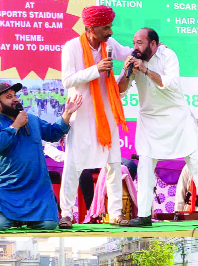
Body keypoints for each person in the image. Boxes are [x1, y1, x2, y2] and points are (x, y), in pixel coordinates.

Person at [119, 28, 198, 227]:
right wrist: (126, 71)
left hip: (177, 118)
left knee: (197, 164)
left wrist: (146, 70)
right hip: (149, 120)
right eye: (134, 42)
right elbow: (120, 90)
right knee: (145, 166)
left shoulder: (168, 55)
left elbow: (171, 84)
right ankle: (143, 215)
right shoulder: (133, 61)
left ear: (154, 44)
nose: (135, 47)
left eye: (140, 42)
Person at [59, 5, 131, 228]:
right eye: (105, 28)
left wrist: (147, 51)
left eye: (110, 27)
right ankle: (66, 214)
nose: (110, 32)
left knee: (113, 163)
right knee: (73, 164)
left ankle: (116, 213)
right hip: (81, 112)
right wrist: (96, 69)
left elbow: (128, 52)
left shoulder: (108, 44)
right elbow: (67, 80)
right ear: (90, 28)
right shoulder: (71, 47)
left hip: (107, 111)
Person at [0, 82, 82, 231]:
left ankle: (27, 220)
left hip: (37, 188)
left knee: (49, 225)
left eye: (15, 95)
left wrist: (67, 113)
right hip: (9, 188)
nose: (15, 99)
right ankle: (15, 219)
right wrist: (16, 125)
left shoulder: (32, 119)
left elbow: (53, 133)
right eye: (9, 97)